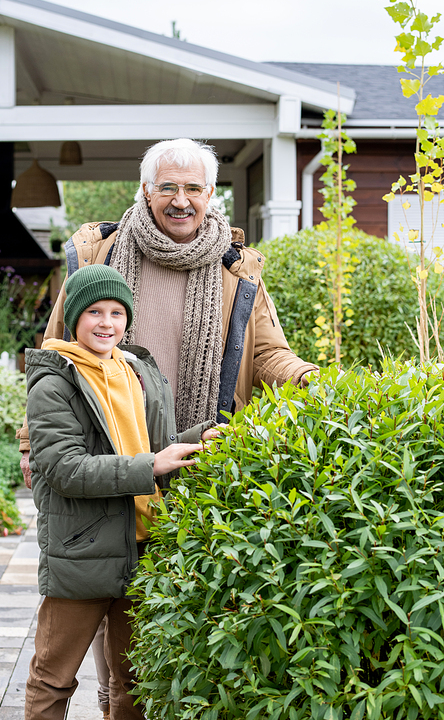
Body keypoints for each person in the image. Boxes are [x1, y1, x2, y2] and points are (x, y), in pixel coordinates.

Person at [18, 137, 318, 716]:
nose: (180, 200)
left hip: (187, 464)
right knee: (89, 619)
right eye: (168, 188)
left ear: (211, 194)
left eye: (193, 189)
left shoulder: (238, 273)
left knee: (145, 640)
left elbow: (268, 356)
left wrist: (311, 380)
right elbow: (51, 351)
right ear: (147, 191)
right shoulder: (101, 254)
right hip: (104, 457)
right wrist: (32, 445)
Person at [24, 264, 217, 720]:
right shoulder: (54, 383)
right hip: (83, 551)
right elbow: (63, 469)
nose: (106, 323)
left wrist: (197, 441)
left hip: (145, 543)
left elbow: (151, 449)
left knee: (134, 680)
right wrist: (153, 464)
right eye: (93, 311)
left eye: (116, 312)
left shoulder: (138, 373)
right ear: (73, 318)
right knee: (54, 677)